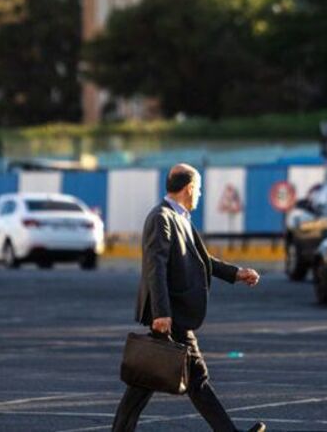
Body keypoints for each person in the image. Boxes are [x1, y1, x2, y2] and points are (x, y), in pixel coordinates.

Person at [112, 164, 266, 432]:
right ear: (189, 188)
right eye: (200, 189)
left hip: (174, 314)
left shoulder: (180, 217)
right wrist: (161, 313)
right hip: (171, 315)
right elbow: (156, 267)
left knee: (150, 381)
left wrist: (236, 273)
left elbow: (203, 260)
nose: (200, 195)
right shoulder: (161, 217)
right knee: (192, 380)